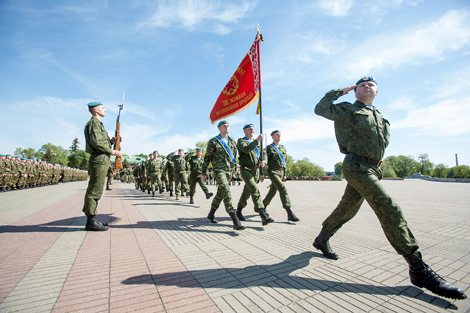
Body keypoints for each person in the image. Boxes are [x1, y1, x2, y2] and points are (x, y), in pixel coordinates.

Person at [313, 76, 466, 300]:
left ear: (377, 92)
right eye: (361, 85)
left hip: (373, 169)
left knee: (348, 208)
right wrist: (342, 90)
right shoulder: (347, 109)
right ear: (356, 92)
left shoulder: (380, 117)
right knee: (388, 207)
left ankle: (322, 238)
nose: (366, 86)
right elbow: (320, 108)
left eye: (371, 85)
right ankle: (418, 268)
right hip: (356, 166)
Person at [83, 101, 122, 231]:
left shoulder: (98, 124)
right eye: (102, 108)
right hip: (99, 160)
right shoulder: (94, 123)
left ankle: (92, 219)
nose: (105, 110)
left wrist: (112, 142)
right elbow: (96, 143)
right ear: (95, 110)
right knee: (95, 190)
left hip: (102, 159)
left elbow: (100, 142)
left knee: (97, 189)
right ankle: (91, 221)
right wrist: (112, 151)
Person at [202, 120, 245, 230]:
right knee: (226, 191)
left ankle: (211, 213)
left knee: (221, 193)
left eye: (227, 126)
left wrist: (234, 173)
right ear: (219, 128)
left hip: (229, 171)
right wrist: (203, 173)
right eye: (224, 126)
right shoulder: (214, 141)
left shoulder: (232, 141)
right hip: (219, 170)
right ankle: (235, 219)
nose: (226, 127)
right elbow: (207, 158)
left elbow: (233, 158)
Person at [236, 124, 274, 226]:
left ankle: (238, 210)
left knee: (247, 192)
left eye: (253, 129)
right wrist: (257, 140)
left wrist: (264, 161)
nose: (252, 131)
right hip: (246, 169)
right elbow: (246, 149)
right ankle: (263, 214)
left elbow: (264, 153)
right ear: (244, 131)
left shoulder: (258, 143)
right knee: (254, 190)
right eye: (250, 129)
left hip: (256, 170)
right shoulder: (241, 141)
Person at [262, 130, 299, 222]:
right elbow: (265, 158)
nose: (279, 136)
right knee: (282, 188)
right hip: (273, 171)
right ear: (272, 136)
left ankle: (262, 207)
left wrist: (285, 174)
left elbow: (284, 162)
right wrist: (263, 165)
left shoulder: (283, 148)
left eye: (280, 135)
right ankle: (289, 212)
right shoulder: (269, 148)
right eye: (277, 135)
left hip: (281, 172)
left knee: (272, 192)